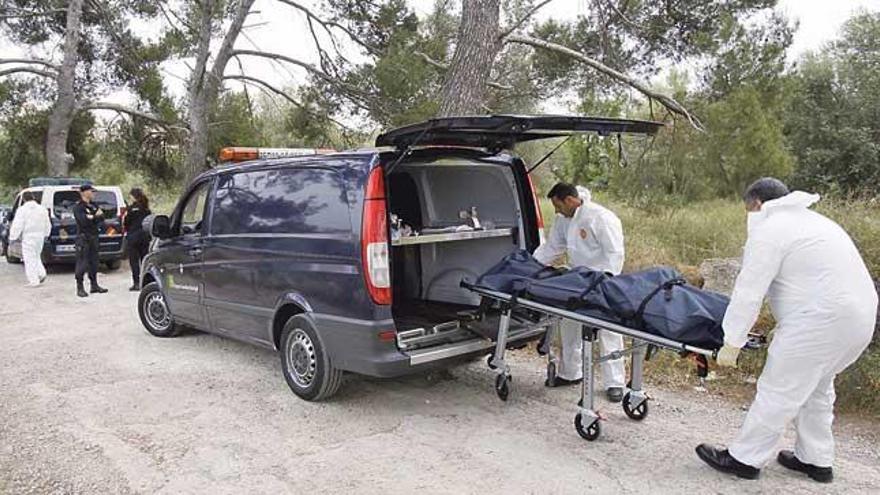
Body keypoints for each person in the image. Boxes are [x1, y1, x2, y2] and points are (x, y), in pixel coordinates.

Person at [696, 178, 877, 483]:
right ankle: (816, 460)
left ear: (756, 204)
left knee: (778, 388)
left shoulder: (770, 230)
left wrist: (732, 341)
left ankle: (744, 458)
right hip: (860, 319)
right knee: (817, 386)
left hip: (820, 320)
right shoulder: (816, 222)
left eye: (747, 210)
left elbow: (749, 290)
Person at [533, 182, 627, 402]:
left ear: (570, 200)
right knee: (569, 323)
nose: (556, 211)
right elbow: (552, 248)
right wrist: (531, 265)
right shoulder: (563, 220)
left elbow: (615, 253)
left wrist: (607, 281)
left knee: (608, 330)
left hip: (604, 280)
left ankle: (615, 382)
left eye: (558, 206)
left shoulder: (601, 218)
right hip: (578, 280)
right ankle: (571, 373)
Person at [9, 191, 51, 287]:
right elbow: (47, 223)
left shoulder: (22, 210)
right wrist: (46, 234)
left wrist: (12, 237)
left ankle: (34, 280)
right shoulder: (42, 209)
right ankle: (41, 273)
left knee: (29, 258)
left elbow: (18, 224)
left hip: (29, 236)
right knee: (36, 256)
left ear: (23, 199)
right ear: (33, 197)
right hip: (40, 235)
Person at [73, 184, 109, 298]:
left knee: (94, 262)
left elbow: (102, 217)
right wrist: (94, 217)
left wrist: (92, 217)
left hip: (94, 236)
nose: (93, 194)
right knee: (82, 263)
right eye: (91, 191)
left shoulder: (93, 205)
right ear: (83, 192)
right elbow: (83, 221)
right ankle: (80, 287)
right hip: (83, 238)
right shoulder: (78, 207)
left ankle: (94, 285)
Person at [124, 187, 152, 291]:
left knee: (134, 262)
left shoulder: (130, 209)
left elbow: (126, 223)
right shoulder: (146, 209)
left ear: (133, 196)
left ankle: (136, 283)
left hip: (133, 238)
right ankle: (146, 282)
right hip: (144, 237)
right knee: (144, 260)